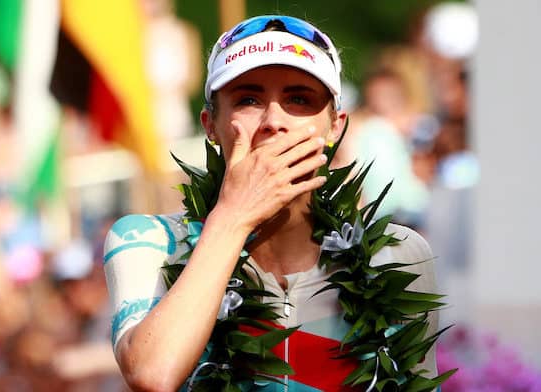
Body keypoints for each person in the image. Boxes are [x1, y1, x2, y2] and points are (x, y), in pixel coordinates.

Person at [104, 15, 438, 391]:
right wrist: (233, 216)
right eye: (248, 99)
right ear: (210, 124)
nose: (273, 120)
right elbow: (153, 374)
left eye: (299, 99)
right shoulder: (150, 242)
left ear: (335, 125)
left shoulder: (398, 253)